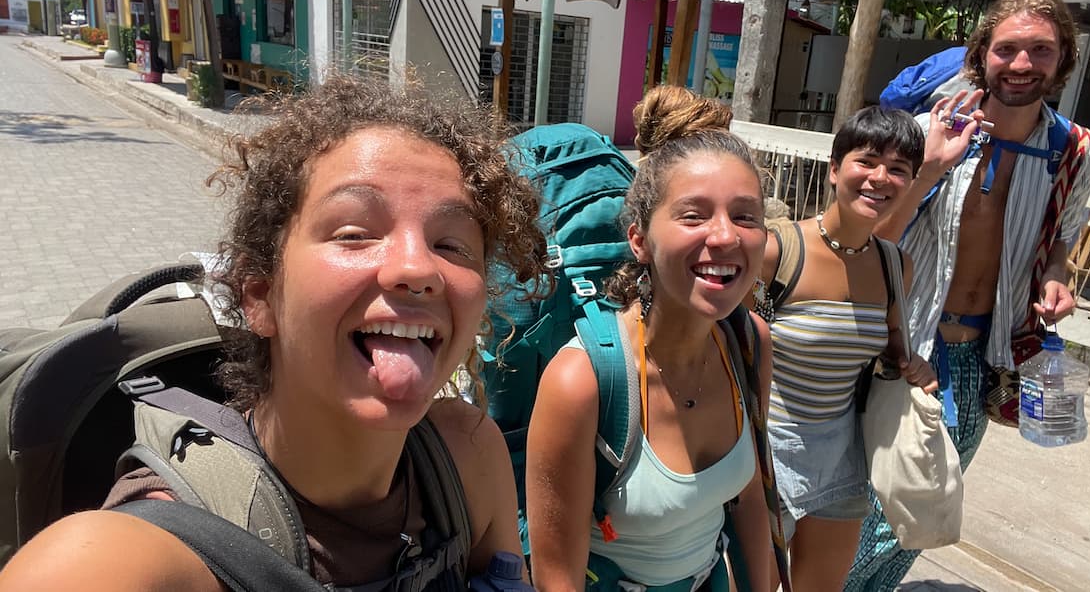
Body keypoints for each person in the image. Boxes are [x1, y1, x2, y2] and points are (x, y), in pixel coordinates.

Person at [0, 75, 548, 590]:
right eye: (354, 232)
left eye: (451, 245)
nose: (418, 267)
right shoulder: (135, 552)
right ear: (259, 297)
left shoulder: (469, 456)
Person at [847, 0, 1090, 590]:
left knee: (919, 515)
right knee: (868, 511)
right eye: (1007, 48)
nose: (1021, 65)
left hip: (977, 359)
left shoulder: (1075, 153)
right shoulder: (923, 133)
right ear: (981, 53)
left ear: (1063, 57)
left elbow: (1060, 242)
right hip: (891, 346)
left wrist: (1056, 278)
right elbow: (867, 238)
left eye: (1039, 51)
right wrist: (933, 164)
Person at [524, 85, 774, 591]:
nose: (725, 236)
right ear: (638, 238)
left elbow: (749, 498)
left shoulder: (749, 342)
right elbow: (557, 580)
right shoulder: (583, 383)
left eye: (745, 216)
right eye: (694, 214)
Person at [749, 106, 936, 592]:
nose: (880, 178)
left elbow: (893, 356)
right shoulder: (776, 252)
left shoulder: (897, 267)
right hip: (765, 453)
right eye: (867, 161)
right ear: (835, 169)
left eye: (898, 169)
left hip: (841, 455)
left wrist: (912, 367)